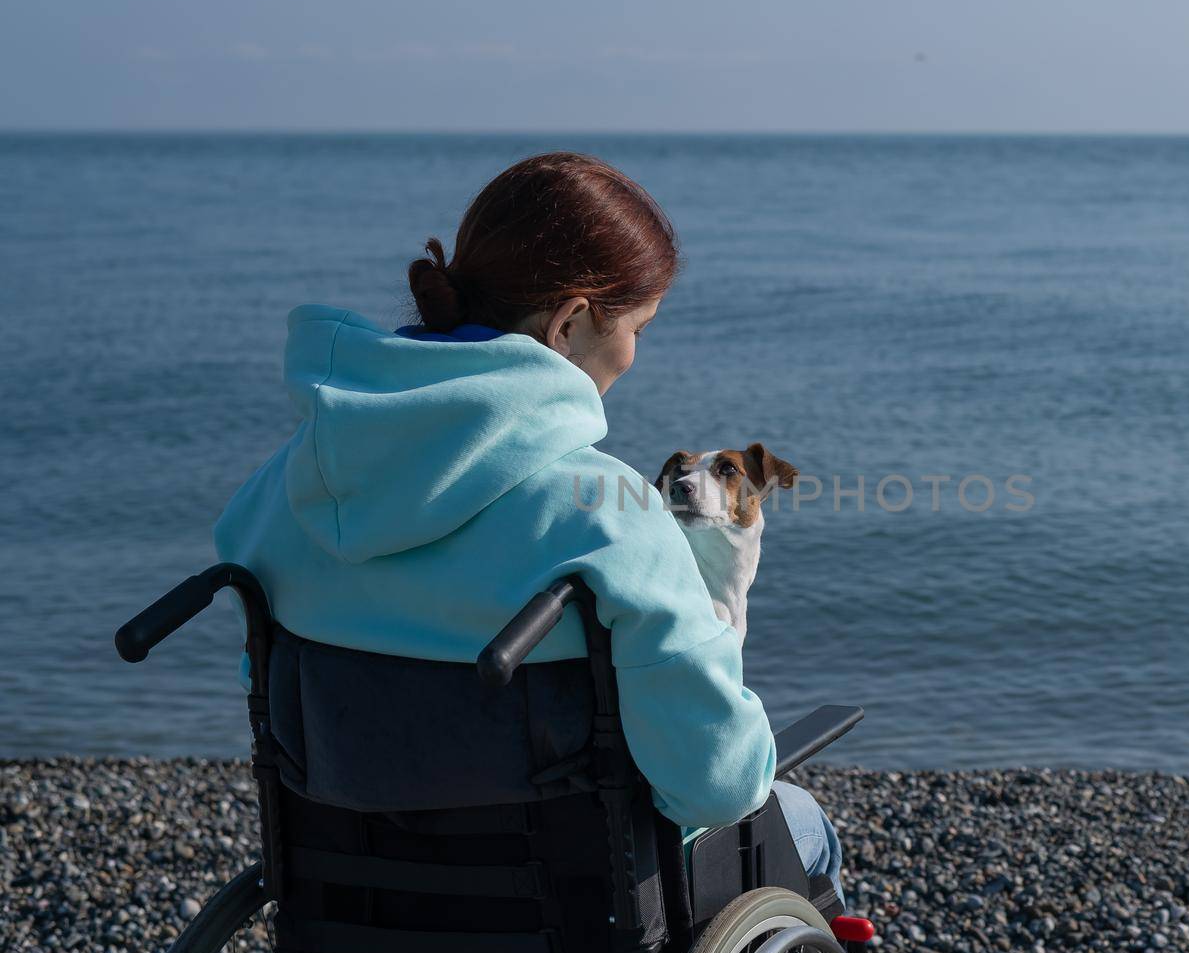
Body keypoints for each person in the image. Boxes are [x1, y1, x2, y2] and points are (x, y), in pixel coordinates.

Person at [214, 151, 842, 897]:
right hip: (569, 913)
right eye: (638, 328)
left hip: (349, 892)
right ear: (572, 322)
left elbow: (271, 697)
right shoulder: (612, 516)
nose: (634, 354)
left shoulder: (285, 488)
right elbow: (716, 786)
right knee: (803, 825)